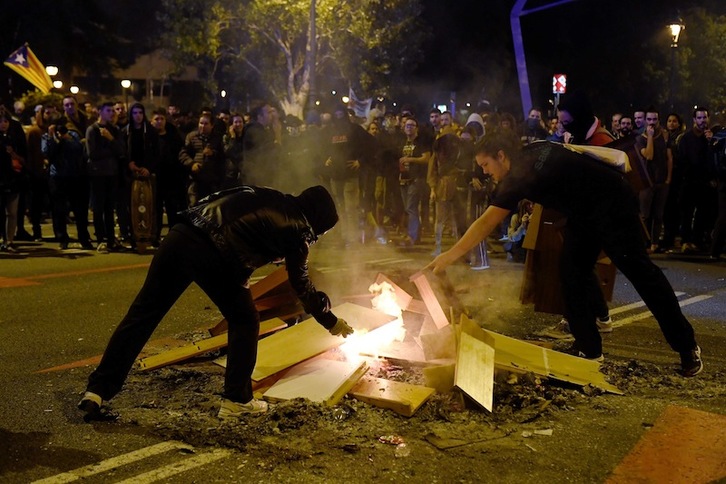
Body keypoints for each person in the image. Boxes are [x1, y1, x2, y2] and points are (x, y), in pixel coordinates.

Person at [426, 130, 703, 377]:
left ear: (501, 156)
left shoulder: (518, 176)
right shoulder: (532, 149)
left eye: (486, 165)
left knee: (642, 275)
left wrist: (449, 256)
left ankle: (688, 347)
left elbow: (485, 223)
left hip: (613, 205)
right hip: (584, 214)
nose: (486, 172)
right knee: (572, 274)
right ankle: (590, 351)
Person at [77, 185, 353, 421]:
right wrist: (330, 320)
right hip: (217, 252)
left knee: (144, 314)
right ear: (319, 221)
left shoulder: (271, 196)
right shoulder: (300, 230)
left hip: (181, 235)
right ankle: (237, 400)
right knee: (245, 319)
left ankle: (97, 391)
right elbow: (301, 285)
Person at [86, 102, 125, 253]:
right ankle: (100, 239)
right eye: (108, 110)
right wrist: (111, 151)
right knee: (98, 207)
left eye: (112, 111)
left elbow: (121, 150)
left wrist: (110, 140)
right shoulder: (92, 130)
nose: (112, 113)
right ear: (100, 112)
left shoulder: (114, 130)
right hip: (97, 174)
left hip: (112, 173)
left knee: (110, 208)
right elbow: (92, 154)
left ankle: (110, 239)